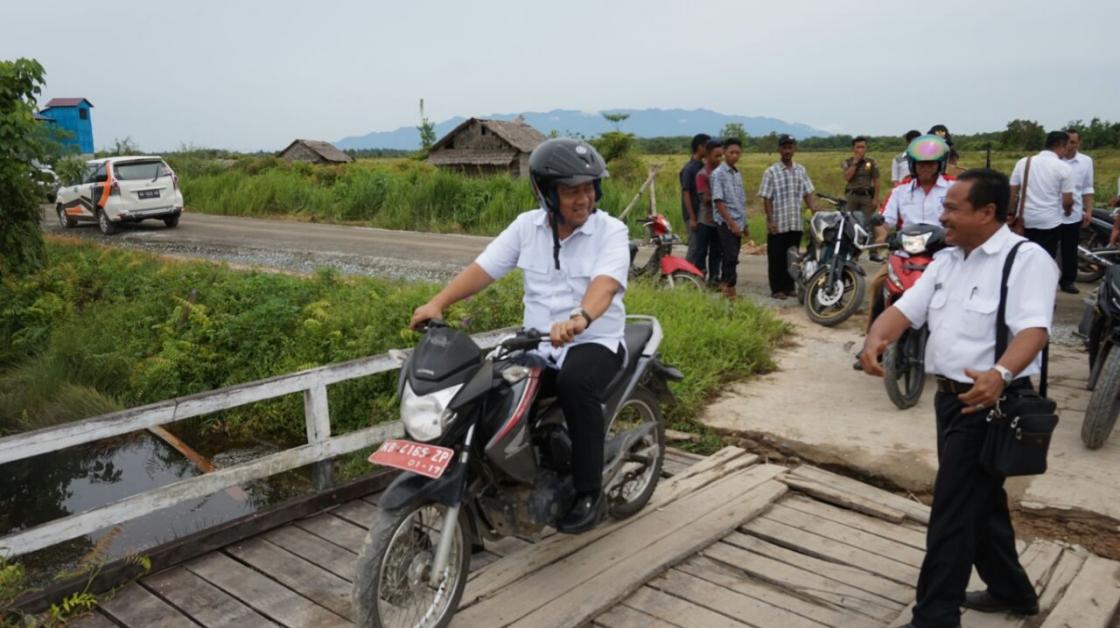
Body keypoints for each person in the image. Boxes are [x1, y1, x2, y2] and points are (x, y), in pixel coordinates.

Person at [861, 169, 1056, 628]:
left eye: (952, 208)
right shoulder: (947, 261)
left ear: (987, 212)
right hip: (949, 402)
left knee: (952, 512)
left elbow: (1035, 330)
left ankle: (935, 616)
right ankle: (1013, 591)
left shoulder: (1025, 260)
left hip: (989, 404)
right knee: (979, 504)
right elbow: (907, 309)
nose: (941, 215)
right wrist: (876, 336)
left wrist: (1001, 373)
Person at [409, 138, 629, 535]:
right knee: (490, 391)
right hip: (536, 343)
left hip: (594, 340)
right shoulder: (526, 228)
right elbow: (484, 268)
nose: (584, 199)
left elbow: (606, 284)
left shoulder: (611, 231)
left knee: (577, 385)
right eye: (571, 190)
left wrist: (580, 318)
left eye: (589, 188)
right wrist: (438, 302)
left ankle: (588, 491)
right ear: (546, 193)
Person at [855, 134, 952, 369]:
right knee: (879, 287)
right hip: (905, 255)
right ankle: (872, 343)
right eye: (920, 163)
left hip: (943, 255)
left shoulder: (953, 188)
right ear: (912, 165)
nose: (925, 168)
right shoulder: (901, 191)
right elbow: (886, 221)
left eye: (930, 163)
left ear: (940, 164)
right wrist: (882, 232)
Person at [759, 134, 818, 299]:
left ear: (794, 149)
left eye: (790, 147)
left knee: (792, 256)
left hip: (795, 222)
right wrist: (771, 221)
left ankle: (789, 286)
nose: (787, 150)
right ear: (779, 149)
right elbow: (767, 198)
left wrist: (813, 208)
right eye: (784, 147)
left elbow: (807, 192)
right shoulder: (771, 172)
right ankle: (777, 289)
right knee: (776, 257)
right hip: (779, 222)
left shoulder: (801, 170)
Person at [1009, 131, 1074, 261]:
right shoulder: (1063, 167)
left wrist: (1011, 213)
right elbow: (1067, 201)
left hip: (1024, 221)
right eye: (1066, 146)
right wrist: (1067, 212)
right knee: (1045, 260)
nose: (1067, 151)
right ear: (1059, 145)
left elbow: (1012, 192)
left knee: (1022, 259)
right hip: (1049, 222)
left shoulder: (1023, 162)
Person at [711, 137, 749, 300]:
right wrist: (732, 223)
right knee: (729, 255)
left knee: (734, 256)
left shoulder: (736, 173)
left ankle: (729, 287)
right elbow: (719, 201)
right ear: (724, 153)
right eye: (731, 152)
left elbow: (740, 200)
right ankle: (726, 287)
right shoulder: (718, 174)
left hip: (738, 221)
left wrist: (744, 224)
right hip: (726, 222)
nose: (735, 155)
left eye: (737, 153)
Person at [1058, 129, 1095, 294]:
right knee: (1048, 252)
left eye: (1073, 142)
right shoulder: (1055, 160)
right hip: (1052, 213)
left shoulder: (1086, 161)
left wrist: (1089, 210)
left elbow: (1087, 187)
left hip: (1073, 214)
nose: (1069, 146)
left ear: (1079, 143)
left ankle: (1068, 281)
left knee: (1070, 250)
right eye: (1067, 142)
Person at [693, 139, 725, 287]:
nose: (719, 159)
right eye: (716, 156)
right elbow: (704, 198)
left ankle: (714, 279)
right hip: (706, 220)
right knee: (701, 251)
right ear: (708, 155)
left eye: (721, 156)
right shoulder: (703, 174)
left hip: (718, 220)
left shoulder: (721, 173)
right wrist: (720, 196)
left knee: (716, 252)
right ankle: (699, 277)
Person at [681, 133, 711, 265]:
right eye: (707, 146)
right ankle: (685, 276)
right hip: (693, 214)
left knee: (701, 248)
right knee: (694, 247)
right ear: (700, 147)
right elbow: (686, 193)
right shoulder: (689, 169)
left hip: (702, 214)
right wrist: (692, 218)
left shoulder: (702, 166)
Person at [842, 136, 881, 222]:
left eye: (863, 147)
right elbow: (847, 178)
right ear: (853, 149)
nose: (861, 150)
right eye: (858, 147)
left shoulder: (871, 162)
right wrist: (855, 163)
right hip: (852, 196)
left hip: (866, 197)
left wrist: (875, 199)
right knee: (850, 221)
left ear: (866, 148)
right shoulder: (847, 162)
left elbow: (876, 180)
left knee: (867, 222)